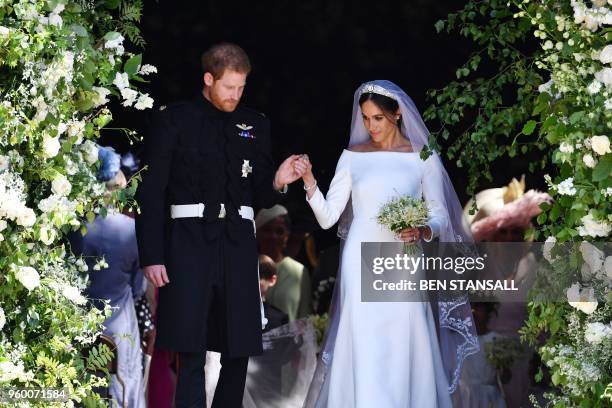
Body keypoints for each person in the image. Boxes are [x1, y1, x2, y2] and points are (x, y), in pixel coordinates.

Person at [135, 42, 304, 408]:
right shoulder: (174, 118)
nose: (235, 95)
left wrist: (278, 179)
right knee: (190, 348)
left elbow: (260, 191)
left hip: (239, 244)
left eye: (241, 88)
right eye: (229, 87)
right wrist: (152, 254)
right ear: (208, 79)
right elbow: (152, 191)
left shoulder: (255, 124)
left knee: (239, 346)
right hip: (188, 243)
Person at [296, 81, 480, 407]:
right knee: (363, 335)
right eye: (365, 118)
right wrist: (310, 181)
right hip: (359, 258)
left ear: (396, 114)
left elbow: (440, 214)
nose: (370, 126)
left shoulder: (422, 156)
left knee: (404, 334)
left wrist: (423, 229)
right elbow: (328, 218)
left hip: (404, 258)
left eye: (377, 118)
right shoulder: (352, 157)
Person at [74, 148, 146, 408]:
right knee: (123, 385)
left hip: (79, 319)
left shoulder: (75, 227)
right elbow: (139, 287)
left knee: (79, 386)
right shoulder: (131, 230)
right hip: (119, 323)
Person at [256, 205, 312, 321]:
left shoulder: (299, 271)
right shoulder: (245, 268)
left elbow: (304, 318)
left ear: (287, 236)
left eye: (279, 231)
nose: (273, 236)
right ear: (257, 233)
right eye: (267, 230)